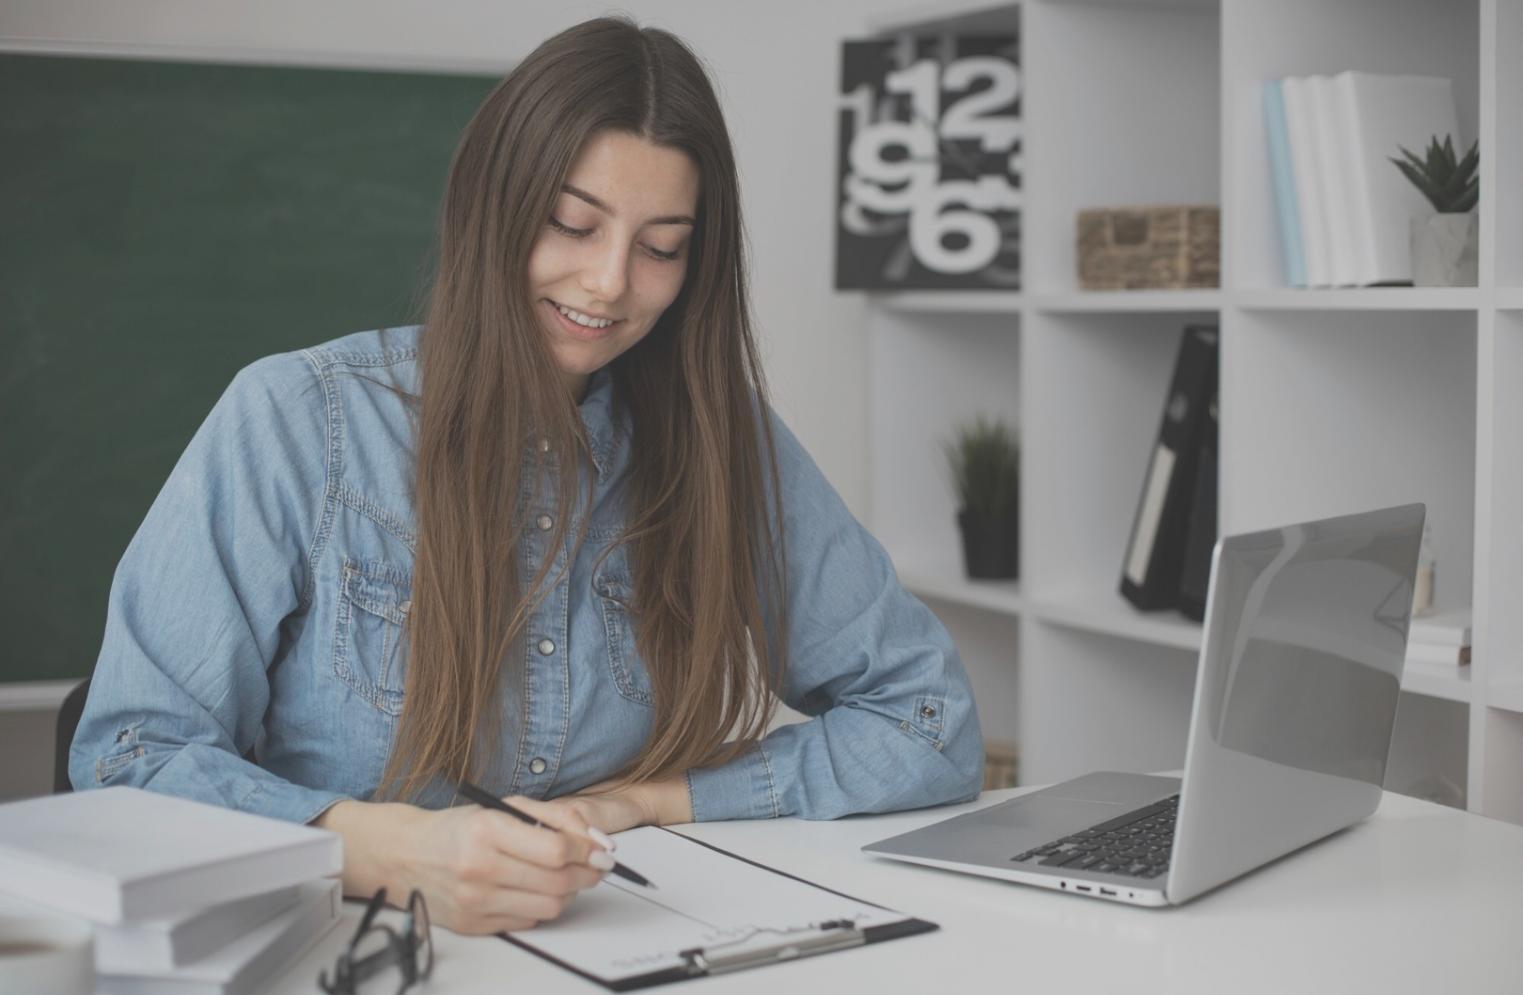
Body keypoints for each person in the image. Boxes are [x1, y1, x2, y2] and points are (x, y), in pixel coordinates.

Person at [70, 16, 983, 935]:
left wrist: (644, 802)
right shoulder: (299, 418)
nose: (607, 283)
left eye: (661, 246)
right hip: (344, 947)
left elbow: (925, 721)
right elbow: (129, 755)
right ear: (491, 205)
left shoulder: (722, 439)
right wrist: (375, 850)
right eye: (571, 224)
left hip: (613, 943)